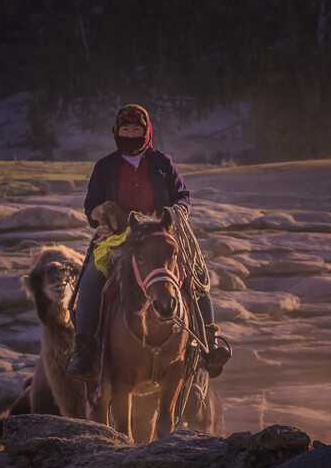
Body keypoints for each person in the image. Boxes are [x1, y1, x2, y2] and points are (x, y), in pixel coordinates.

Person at [67, 103, 231, 380]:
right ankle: (85, 349)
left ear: (147, 131)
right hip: (118, 236)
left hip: (160, 232)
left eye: (136, 129)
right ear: (116, 132)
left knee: (196, 276)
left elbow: (183, 196)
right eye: (126, 129)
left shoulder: (162, 163)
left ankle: (208, 344)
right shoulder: (105, 166)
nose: (131, 134)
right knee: (92, 279)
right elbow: (90, 207)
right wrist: (102, 212)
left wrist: (175, 212)